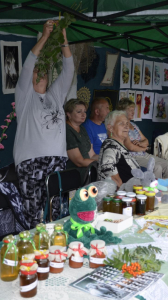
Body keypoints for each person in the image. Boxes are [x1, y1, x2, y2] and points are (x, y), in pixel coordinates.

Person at [13, 20, 74, 228]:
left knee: (57, 213)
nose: (40, 71)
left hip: (57, 160)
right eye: (36, 70)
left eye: (44, 69)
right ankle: (31, 255)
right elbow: (29, 62)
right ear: (29, 77)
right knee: (32, 214)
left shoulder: (55, 96)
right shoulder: (24, 95)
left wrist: (63, 38)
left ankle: (55, 252)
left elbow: (68, 70)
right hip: (30, 162)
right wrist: (45, 38)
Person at [117, 98, 168, 179]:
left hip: (144, 154)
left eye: (134, 110)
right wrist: (144, 148)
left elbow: (146, 140)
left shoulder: (134, 125)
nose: (133, 112)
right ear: (123, 111)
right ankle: (155, 190)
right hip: (133, 157)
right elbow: (130, 147)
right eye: (131, 110)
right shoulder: (121, 126)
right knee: (157, 167)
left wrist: (141, 144)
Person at [98, 111, 140, 187]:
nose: (126, 126)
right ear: (110, 128)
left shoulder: (117, 145)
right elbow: (113, 177)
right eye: (121, 123)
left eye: (127, 123)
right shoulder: (110, 147)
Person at [65, 99, 99, 184]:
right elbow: (79, 161)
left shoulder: (82, 128)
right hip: (74, 176)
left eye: (85, 111)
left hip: (88, 171)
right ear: (68, 114)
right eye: (79, 112)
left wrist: (106, 159)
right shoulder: (67, 130)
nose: (84, 115)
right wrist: (101, 163)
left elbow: (92, 155)